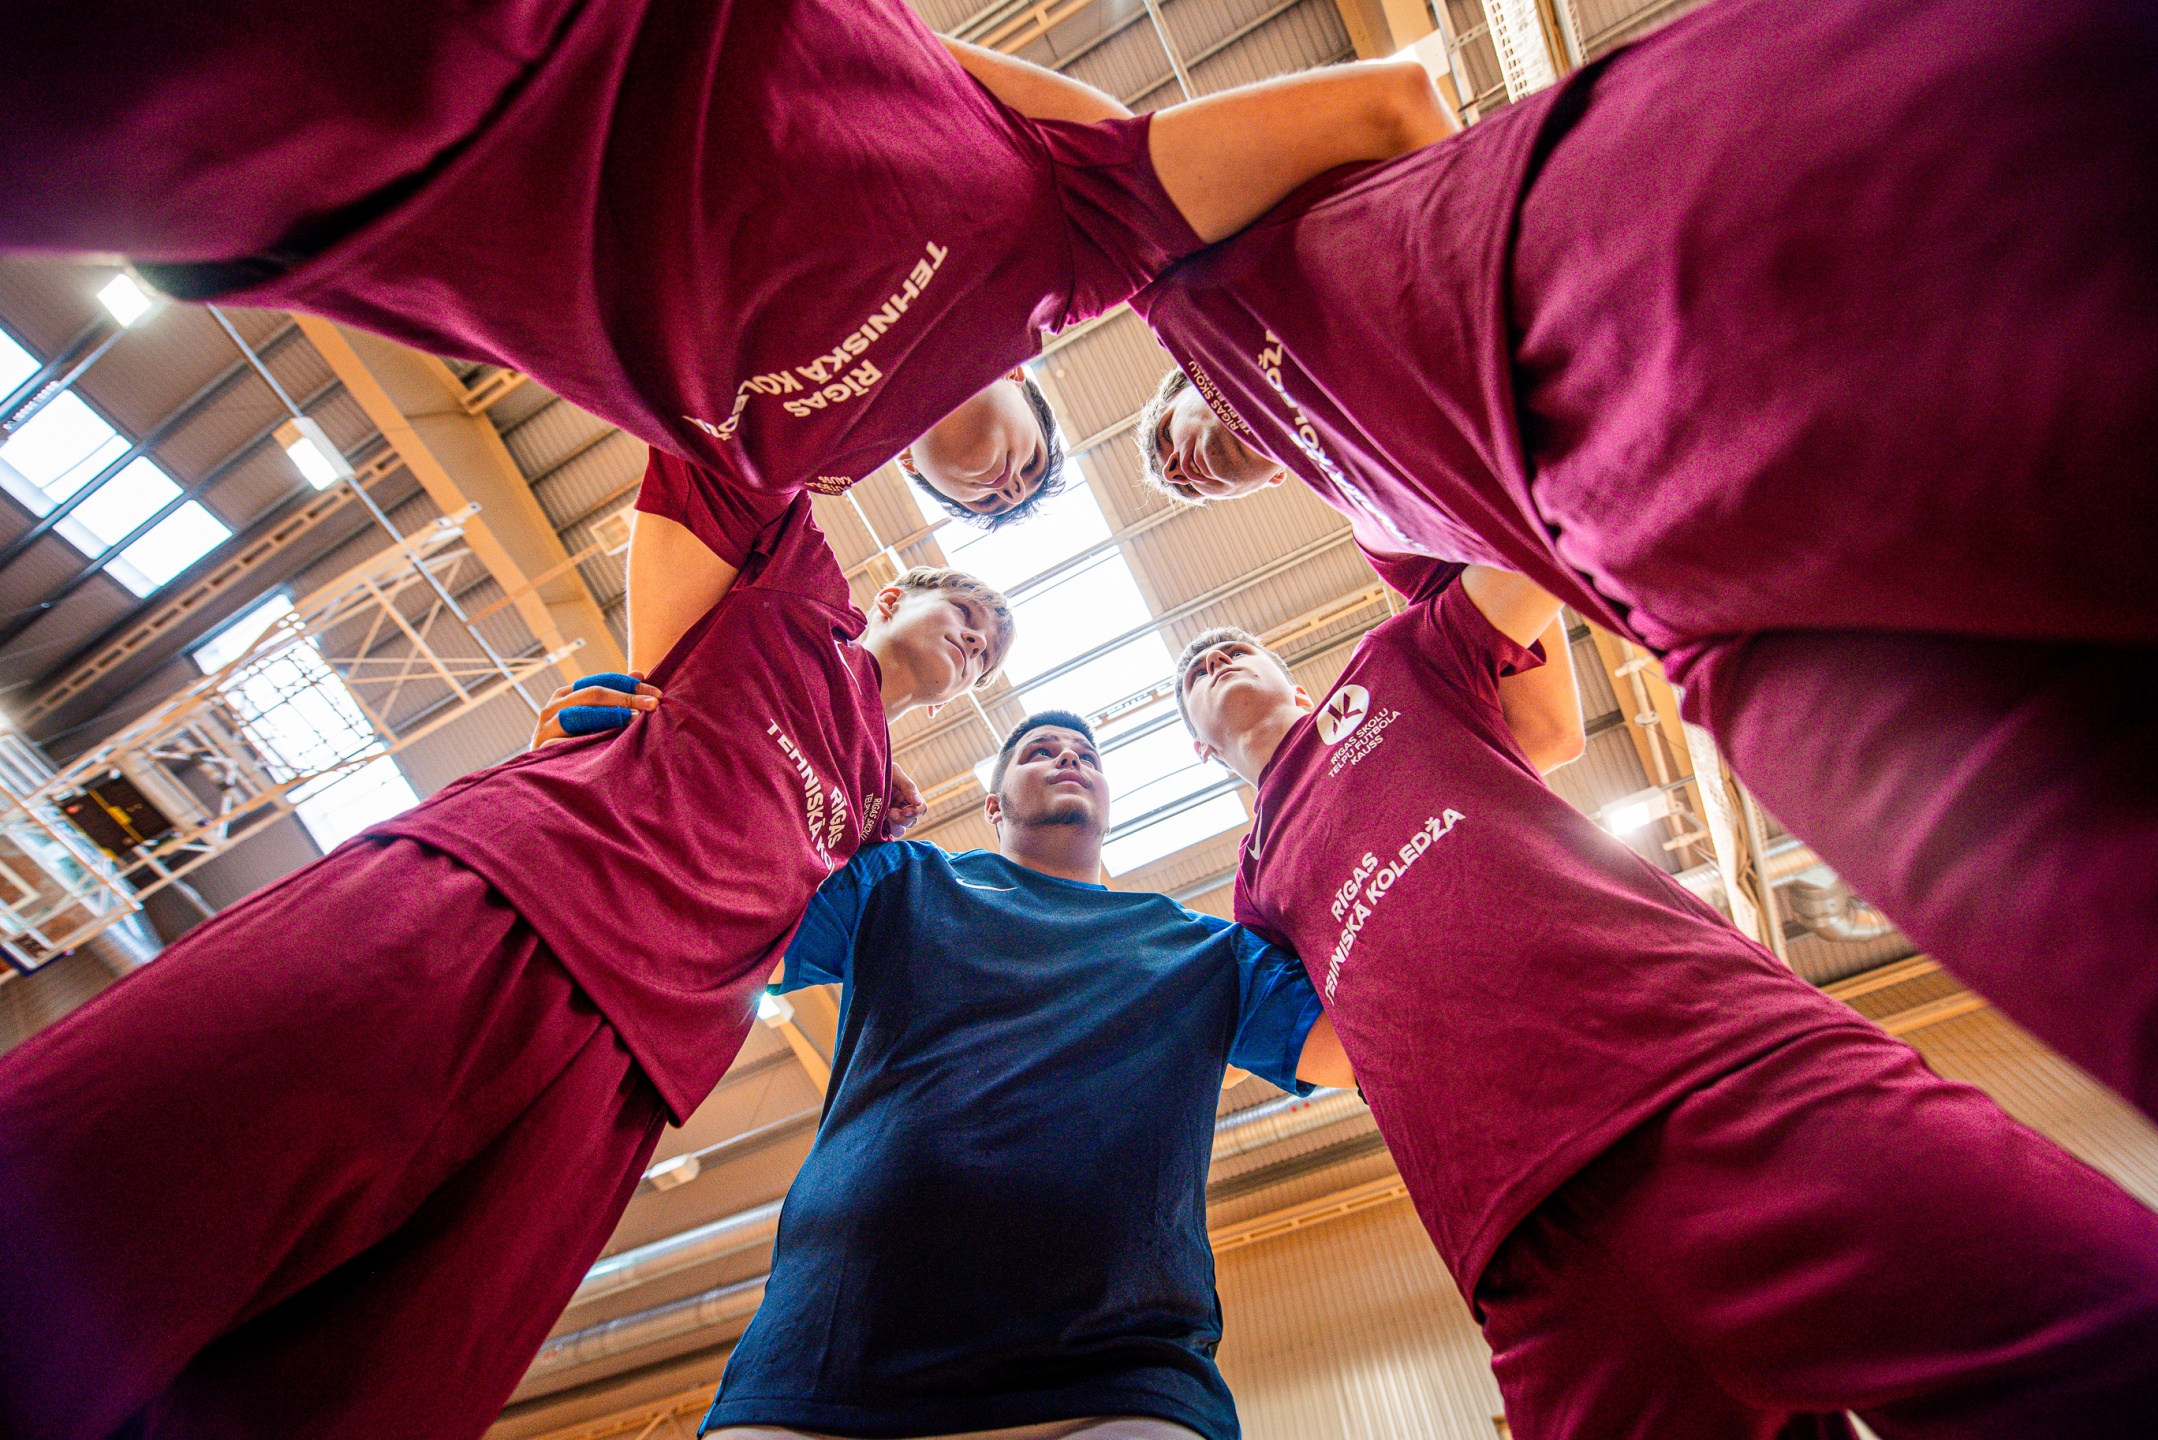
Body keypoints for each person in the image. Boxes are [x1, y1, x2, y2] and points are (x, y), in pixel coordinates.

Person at [1091, 0, 2158, 1122]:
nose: (1188, 469)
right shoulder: (1388, 529)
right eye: (1189, 486)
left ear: (1194, 380)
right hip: (1693, 573)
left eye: (1175, 436)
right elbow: (1545, 722)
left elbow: (1398, 109)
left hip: (1641, 289)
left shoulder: (1241, 301)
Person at [0, 448, 1012, 1440]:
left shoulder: (880, 817)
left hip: (627, 1067)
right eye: (966, 612)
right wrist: (959, 414)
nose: (977, 640)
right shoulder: (796, 600)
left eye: (989, 652)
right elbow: (736, 427)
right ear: (889, 596)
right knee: (125, 1180)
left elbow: (822, 955)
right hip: (507, 892)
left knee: (380, 1384)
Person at [1175, 560, 2158, 1438]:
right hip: (1535, 1251)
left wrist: (1336, 458)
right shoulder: (1256, 894)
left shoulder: (1390, 668)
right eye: (1190, 676)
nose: (1208, 656)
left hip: (1726, 1075)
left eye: (1230, 644)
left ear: (1295, 677)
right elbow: (1334, 1050)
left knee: (2109, 1342)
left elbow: (1532, 627)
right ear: (1198, 752)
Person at [4, 0, 1448, 526]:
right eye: (1035, 473)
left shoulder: (782, 467)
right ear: (1042, 390)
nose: (1010, 485)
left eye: (993, 507)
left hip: (254, 175)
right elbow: (1386, 109)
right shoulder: (1081, 237)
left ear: (916, 493)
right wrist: (1257, 396)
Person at [696, 711, 1353, 1440]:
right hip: (820, 1365)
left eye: (1087, 757)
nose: (1070, 760)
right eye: (1041, 751)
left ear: (1109, 805)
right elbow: (720, 921)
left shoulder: (1205, 951)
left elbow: (1359, 1049)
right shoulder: (902, 881)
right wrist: (635, 759)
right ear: (993, 805)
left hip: (1116, 1379)